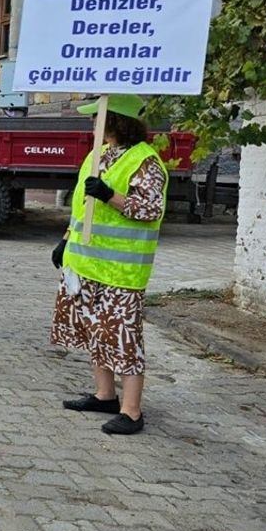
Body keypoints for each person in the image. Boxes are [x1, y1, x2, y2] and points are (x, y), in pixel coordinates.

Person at [52, 93, 167, 436]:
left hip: (121, 271)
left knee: (123, 337)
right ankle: (105, 395)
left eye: (98, 118)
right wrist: (66, 238)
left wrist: (109, 195)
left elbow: (150, 210)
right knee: (94, 330)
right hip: (86, 265)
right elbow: (81, 207)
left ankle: (131, 411)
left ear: (116, 120)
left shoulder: (145, 161)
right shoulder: (97, 156)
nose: (92, 124)